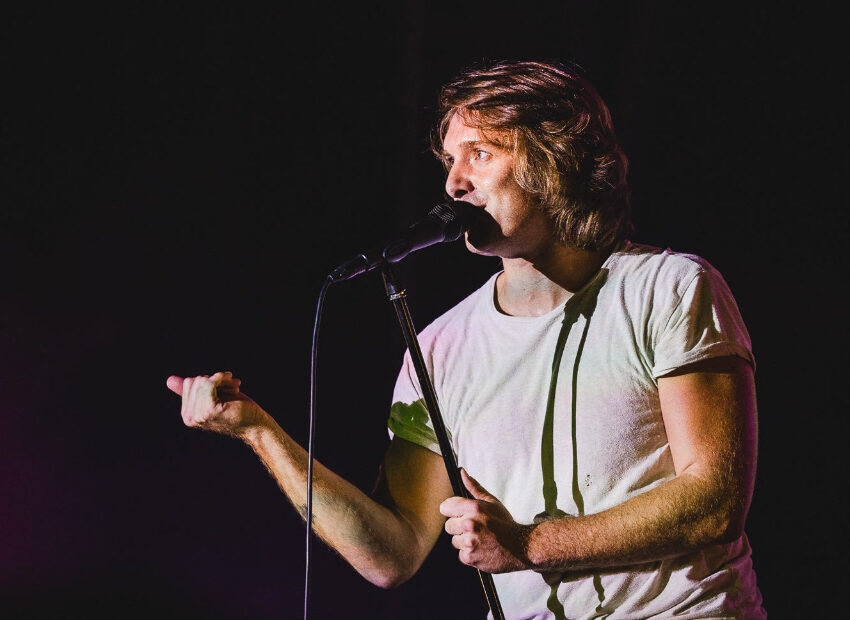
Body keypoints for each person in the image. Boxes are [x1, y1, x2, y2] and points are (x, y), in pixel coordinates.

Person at [167, 59, 766, 619]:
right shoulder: (441, 346)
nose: (453, 184)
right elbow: (391, 553)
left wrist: (530, 544)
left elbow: (714, 501)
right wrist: (259, 434)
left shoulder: (669, 288)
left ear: (555, 159)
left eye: (478, 153)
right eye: (449, 161)